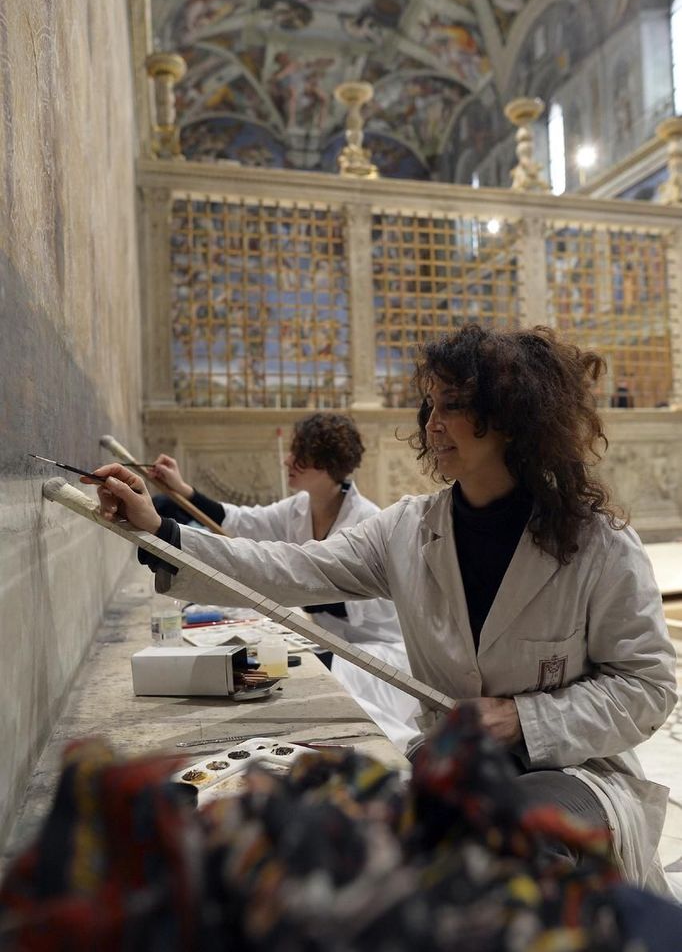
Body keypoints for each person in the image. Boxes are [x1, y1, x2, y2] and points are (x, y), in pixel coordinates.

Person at [87, 325, 677, 892]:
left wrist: (521, 719)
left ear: (513, 418)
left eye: (452, 404)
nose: (432, 423)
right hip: (455, 764)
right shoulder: (406, 530)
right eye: (429, 404)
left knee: (512, 843)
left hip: (574, 772)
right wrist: (160, 528)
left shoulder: (598, 546)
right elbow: (289, 568)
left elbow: (648, 687)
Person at [145, 413, 420, 753]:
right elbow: (241, 522)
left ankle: (407, 752)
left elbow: (342, 597)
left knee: (322, 685)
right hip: (331, 641)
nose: (286, 460)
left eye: (299, 457)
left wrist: (280, 587)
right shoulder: (298, 508)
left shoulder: (368, 520)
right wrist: (180, 492)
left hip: (377, 651)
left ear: (325, 465)